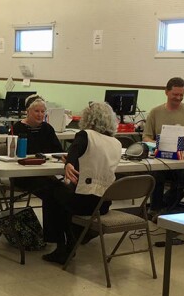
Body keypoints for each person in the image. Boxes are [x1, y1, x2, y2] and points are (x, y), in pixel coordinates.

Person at [41, 102, 121, 264]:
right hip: (102, 204)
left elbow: (75, 150)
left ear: (88, 118)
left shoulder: (86, 135)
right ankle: (75, 234)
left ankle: (62, 245)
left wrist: (69, 162)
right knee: (62, 195)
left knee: (50, 190)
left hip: (82, 201)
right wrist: (72, 161)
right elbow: (90, 159)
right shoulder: (116, 143)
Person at [143, 77, 184, 216]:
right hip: (161, 158)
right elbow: (146, 137)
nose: (178, 98)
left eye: (181, 95)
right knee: (156, 173)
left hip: (182, 160)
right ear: (166, 92)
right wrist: (158, 145)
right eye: (175, 94)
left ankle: (166, 204)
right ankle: (157, 208)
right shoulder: (155, 112)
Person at [9, 95, 65, 241]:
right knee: (50, 193)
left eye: (42, 112)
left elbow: (57, 151)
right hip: (24, 175)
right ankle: (52, 236)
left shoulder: (47, 129)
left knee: (62, 191)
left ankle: (61, 233)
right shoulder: (17, 128)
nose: (40, 115)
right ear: (28, 111)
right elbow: (13, 155)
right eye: (36, 111)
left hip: (45, 172)